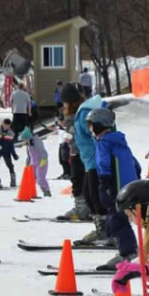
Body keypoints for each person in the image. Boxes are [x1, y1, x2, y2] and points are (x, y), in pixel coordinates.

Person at [90, 107, 142, 270]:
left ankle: (127, 254)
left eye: (91, 125)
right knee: (121, 219)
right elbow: (136, 164)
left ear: (99, 125)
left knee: (117, 220)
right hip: (129, 187)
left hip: (114, 186)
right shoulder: (119, 141)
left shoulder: (104, 142)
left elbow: (104, 164)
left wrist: (105, 184)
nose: (90, 130)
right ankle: (130, 249)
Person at [72, 90, 108, 246]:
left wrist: (102, 156)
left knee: (95, 195)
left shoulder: (85, 113)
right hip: (89, 159)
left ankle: (106, 231)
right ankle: (100, 228)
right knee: (88, 194)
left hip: (95, 160)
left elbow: (96, 135)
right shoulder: (82, 112)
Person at [55, 83, 91, 222]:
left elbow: (74, 131)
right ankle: (86, 206)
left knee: (78, 178)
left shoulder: (78, 114)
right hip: (82, 151)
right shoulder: (83, 109)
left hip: (80, 151)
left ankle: (82, 207)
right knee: (83, 179)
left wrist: (66, 142)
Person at [0, 118, 19, 188]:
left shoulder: (11, 133)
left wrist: (14, 154)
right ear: (2, 123)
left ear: (10, 126)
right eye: (5, 125)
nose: (6, 127)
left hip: (6, 152)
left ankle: (13, 179)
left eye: (7, 126)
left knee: (10, 165)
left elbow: (11, 145)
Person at [21, 127, 50, 196]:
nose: (24, 141)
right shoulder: (29, 143)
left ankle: (46, 191)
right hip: (33, 163)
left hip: (41, 162)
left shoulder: (37, 141)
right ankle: (31, 193)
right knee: (31, 178)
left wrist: (43, 161)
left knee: (40, 178)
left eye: (25, 139)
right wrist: (28, 163)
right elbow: (29, 155)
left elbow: (43, 152)